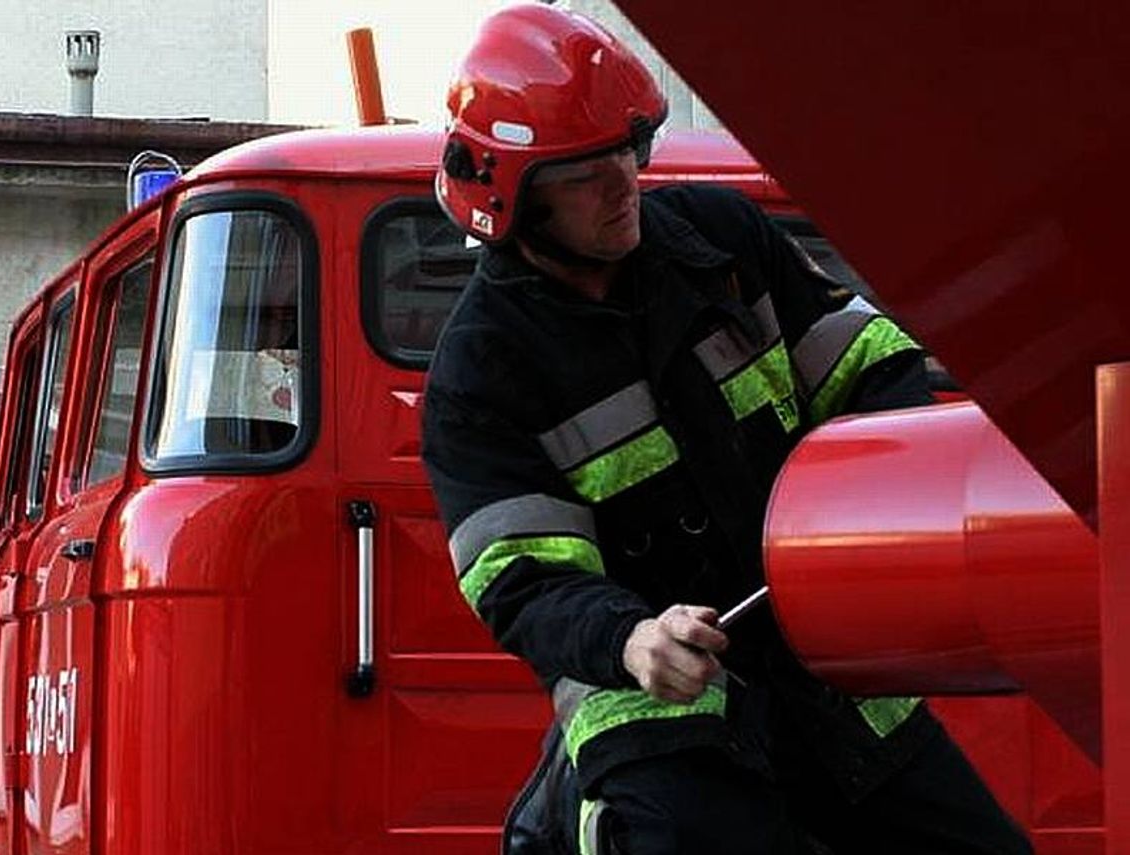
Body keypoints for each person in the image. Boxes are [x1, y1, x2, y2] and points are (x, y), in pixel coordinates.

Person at [421, 5, 1033, 854]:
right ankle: (577, 817)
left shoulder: (723, 240)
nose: (624, 185)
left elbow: (872, 365)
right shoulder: (479, 377)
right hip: (656, 698)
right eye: (588, 173)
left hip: (825, 668)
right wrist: (633, 638)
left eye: (629, 153)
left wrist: (868, 527)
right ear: (510, 199)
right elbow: (522, 580)